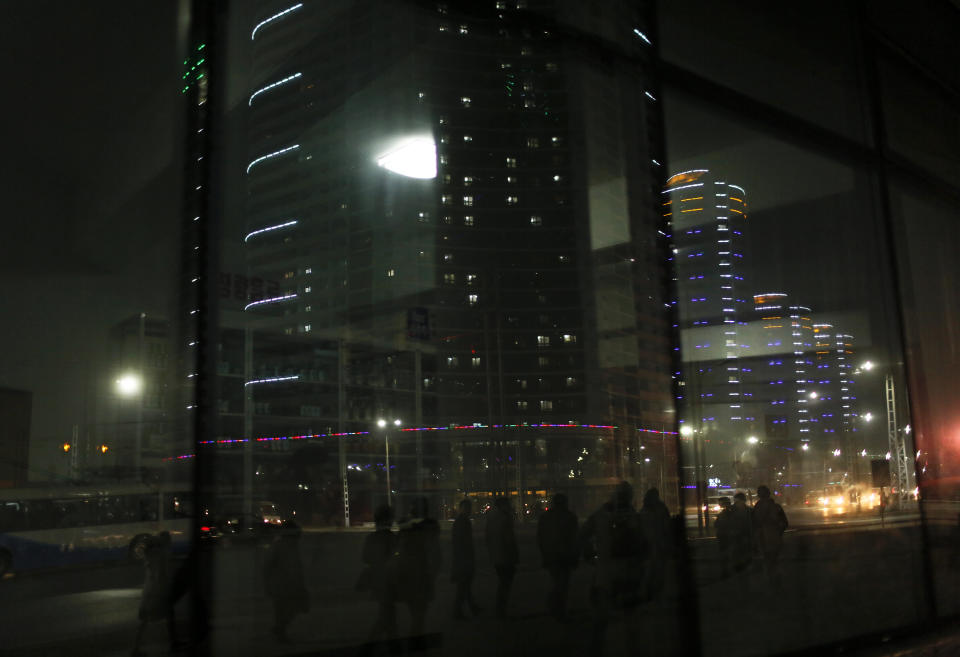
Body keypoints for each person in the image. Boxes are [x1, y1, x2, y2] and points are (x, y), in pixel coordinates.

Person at [579, 481, 647, 654]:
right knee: (630, 618)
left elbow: (583, 535)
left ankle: (596, 649)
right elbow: (644, 544)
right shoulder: (634, 517)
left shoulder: (601, 515)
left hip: (606, 574)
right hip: (629, 572)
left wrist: (590, 555)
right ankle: (632, 650)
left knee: (601, 618)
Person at [395, 497, 442, 637]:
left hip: (409, 576)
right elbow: (436, 555)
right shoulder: (431, 529)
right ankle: (416, 640)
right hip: (424, 576)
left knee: (415, 613)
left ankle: (415, 639)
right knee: (420, 614)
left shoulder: (405, 529)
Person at [131, 531, 182, 656]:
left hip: (149, 591)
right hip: (157, 592)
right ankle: (173, 643)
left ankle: (136, 649)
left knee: (146, 620)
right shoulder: (161, 554)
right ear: (165, 541)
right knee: (168, 615)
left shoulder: (151, 554)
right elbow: (161, 575)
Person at [263, 520, 309, 643]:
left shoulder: (282, 546)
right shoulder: (287, 547)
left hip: (282, 585)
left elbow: (268, 566)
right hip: (284, 585)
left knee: (284, 610)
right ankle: (280, 631)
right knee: (288, 609)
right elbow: (294, 567)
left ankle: (279, 630)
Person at [536, 493, 579, 621]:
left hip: (551, 555)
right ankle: (560, 610)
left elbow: (540, 538)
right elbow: (575, 538)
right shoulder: (570, 517)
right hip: (565, 556)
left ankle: (554, 607)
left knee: (556, 582)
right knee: (563, 584)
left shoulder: (545, 517)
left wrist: (544, 554)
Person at [360, 505, 399, 642]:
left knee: (387, 614)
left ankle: (392, 643)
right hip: (390, 582)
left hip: (377, 581)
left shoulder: (371, 538)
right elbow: (398, 559)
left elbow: (365, 557)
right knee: (387, 615)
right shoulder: (393, 538)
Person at [485, 496, 519, 619]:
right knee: (505, 583)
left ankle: (500, 609)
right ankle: (501, 610)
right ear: (504, 505)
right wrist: (515, 555)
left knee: (502, 583)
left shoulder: (491, 518)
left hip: (496, 555)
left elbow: (488, 537)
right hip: (506, 556)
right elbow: (509, 539)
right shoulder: (505, 518)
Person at [639, 487, 672, 601]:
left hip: (648, 545)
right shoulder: (661, 508)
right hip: (658, 544)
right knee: (658, 570)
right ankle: (656, 593)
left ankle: (649, 593)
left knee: (649, 571)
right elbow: (666, 526)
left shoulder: (644, 509)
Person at [752, 485, 788, 589]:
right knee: (775, 560)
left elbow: (753, 524)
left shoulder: (757, 508)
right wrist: (778, 532)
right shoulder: (776, 507)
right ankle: (776, 581)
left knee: (767, 560)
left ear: (759, 495)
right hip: (775, 537)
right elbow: (785, 523)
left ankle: (770, 581)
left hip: (762, 538)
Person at [451, 499, 481, 619]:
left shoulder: (461, 521)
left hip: (462, 559)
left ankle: (471, 607)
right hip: (464, 559)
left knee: (465, 586)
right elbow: (463, 542)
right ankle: (458, 611)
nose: (469, 510)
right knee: (464, 586)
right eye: (468, 508)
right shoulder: (463, 521)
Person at [729, 492, 754, 575]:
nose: (736, 503)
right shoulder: (731, 510)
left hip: (743, 536)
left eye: (738, 501)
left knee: (742, 553)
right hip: (738, 537)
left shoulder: (749, 511)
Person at [714, 496, 733, 577]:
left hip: (724, 536)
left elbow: (716, 524)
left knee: (724, 554)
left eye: (720, 503)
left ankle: (725, 571)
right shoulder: (730, 512)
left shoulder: (724, 514)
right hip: (727, 535)